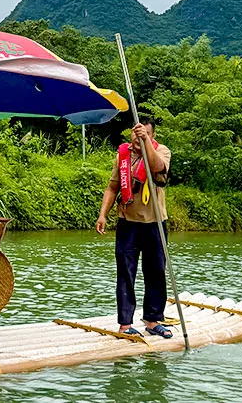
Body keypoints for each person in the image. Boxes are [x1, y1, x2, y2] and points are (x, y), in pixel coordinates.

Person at [95, 118, 173, 339]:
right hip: (128, 223)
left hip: (154, 224)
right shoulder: (123, 155)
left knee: (156, 272)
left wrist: (146, 141)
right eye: (136, 134)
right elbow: (112, 187)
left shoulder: (162, 151)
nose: (138, 139)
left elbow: (157, 167)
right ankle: (125, 324)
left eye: (145, 134)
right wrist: (103, 215)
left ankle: (152, 320)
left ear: (152, 135)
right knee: (125, 273)